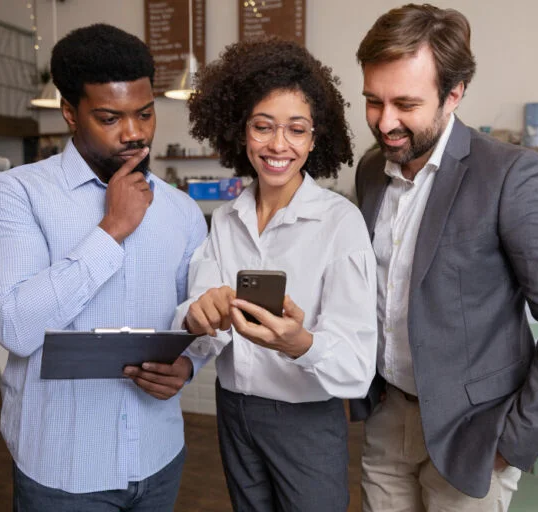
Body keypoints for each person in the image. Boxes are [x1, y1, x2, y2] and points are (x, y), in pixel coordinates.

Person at [349, 4, 538, 511]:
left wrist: (512, 443)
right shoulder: (372, 169)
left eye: (405, 103)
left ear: (454, 93)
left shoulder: (511, 175)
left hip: (474, 434)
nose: (385, 121)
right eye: (373, 101)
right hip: (388, 418)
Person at [0, 24, 206, 511]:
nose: (135, 133)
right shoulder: (14, 195)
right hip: (63, 465)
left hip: (158, 455)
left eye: (145, 114)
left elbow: (197, 312)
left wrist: (188, 365)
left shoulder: (181, 210)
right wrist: (112, 229)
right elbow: (14, 325)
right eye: (109, 117)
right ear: (69, 115)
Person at [174, 38, 378, 511]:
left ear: (314, 138)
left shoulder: (339, 222)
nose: (278, 145)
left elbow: (357, 364)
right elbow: (203, 328)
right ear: (240, 131)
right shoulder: (225, 219)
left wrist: (300, 343)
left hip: (305, 421)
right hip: (234, 412)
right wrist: (197, 315)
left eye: (296, 130)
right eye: (263, 127)